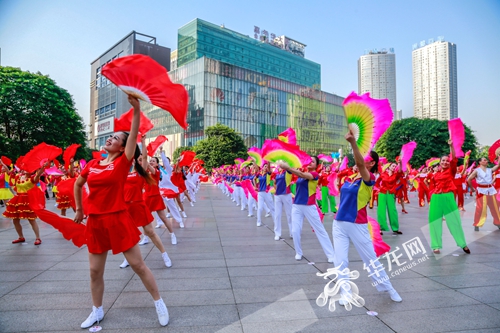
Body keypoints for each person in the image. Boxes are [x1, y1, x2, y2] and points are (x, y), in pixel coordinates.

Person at [74, 96, 169, 328]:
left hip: (117, 219)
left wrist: (136, 110)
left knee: (138, 266)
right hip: (95, 222)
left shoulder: (122, 163)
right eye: (111, 136)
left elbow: (133, 135)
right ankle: (97, 310)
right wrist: (79, 208)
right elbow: (78, 184)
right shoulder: (94, 164)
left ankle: (159, 302)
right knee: (95, 271)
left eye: (115, 138)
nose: (110, 138)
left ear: (122, 147)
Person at [331, 130, 402, 303]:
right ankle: (346, 293)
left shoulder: (369, 177)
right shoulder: (350, 177)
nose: (363, 160)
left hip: (357, 224)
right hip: (339, 223)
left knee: (371, 260)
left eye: (366, 158)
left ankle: (390, 288)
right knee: (340, 261)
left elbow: (360, 165)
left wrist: (353, 143)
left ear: (372, 164)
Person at [119, 140, 172, 269]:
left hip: (139, 205)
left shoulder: (140, 173)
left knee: (150, 232)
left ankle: (164, 254)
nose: (135, 160)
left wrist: (142, 141)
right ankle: (128, 259)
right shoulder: (122, 172)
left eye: (139, 159)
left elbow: (145, 156)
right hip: (126, 207)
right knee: (127, 235)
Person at [278, 157, 334, 262]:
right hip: (297, 206)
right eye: (308, 160)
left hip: (309, 206)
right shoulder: (301, 171)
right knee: (295, 230)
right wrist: (286, 164)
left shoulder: (315, 175)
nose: (310, 163)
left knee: (320, 230)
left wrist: (288, 168)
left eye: (312, 162)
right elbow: (294, 176)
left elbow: (302, 175)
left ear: (316, 165)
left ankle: (331, 254)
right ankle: (298, 252)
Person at [428, 140, 470, 254]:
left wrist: (451, 145)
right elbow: (431, 186)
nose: (445, 162)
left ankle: (463, 244)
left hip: (448, 197)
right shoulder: (435, 174)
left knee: (454, 221)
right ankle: (436, 246)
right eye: (443, 161)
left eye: (447, 161)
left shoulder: (451, 170)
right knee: (434, 221)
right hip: (436, 198)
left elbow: (454, 159)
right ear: (440, 162)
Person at [2, 160, 47, 245]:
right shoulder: (18, 176)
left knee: (31, 220)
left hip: (27, 201)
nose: (26, 169)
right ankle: (21, 237)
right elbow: (9, 173)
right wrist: (2, 164)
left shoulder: (32, 178)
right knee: (15, 220)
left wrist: (43, 167)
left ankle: (38, 238)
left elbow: (39, 174)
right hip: (17, 200)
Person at [467, 155, 500, 231]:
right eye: (484, 160)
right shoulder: (476, 171)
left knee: (495, 207)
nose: (486, 161)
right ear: (480, 162)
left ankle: (497, 222)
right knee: (480, 208)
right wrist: (472, 188)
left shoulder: (490, 170)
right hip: (481, 191)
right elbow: (469, 179)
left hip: (491, 190)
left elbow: (498, 165)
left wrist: (499, 156)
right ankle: (477, 223)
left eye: (486, 160)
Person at [377, 161, 403, 234]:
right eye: (393, 166)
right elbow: (377, 182)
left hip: (391, 193)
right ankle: (380, 229)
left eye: (395, 166)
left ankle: (395, 228)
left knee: (392, 210)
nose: (394, 167)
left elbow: (400, 171)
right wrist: (378, 189)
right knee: (381, 211)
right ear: (389, 167)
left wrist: (400, 163)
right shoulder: (383, 174)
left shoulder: (395, 175)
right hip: (382, 193)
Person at [273, 165, 293, 240]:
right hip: (277, 195)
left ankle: (292, 232)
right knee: (277, 215)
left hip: (286, 194)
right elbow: (274, 182)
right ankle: (277, 233)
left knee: (289, 214)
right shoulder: (277, 173)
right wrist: (276, 188)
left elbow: (290, 168)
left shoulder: (287, 172)